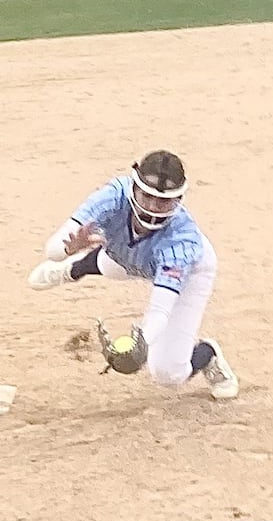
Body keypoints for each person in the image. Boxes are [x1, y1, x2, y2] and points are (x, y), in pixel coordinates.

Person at [27, 149, 239, 400]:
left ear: (179, 199)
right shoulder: (113, 195)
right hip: (124, 253)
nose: (152, 207)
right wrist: (68, 249)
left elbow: (160, 311)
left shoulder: (182, 241)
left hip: (190, 272)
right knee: (113, 264)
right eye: (147, 196)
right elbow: (52, 248)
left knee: (168, 374)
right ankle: (72, 269)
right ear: (133, 187)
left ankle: (207, 355)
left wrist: (139, 345)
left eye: (163, 201)